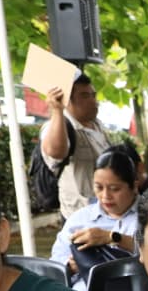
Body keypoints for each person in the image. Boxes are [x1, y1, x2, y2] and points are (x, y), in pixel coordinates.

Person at [50, 145, 141, 291]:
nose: (105, 196)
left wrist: (112, 238)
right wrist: (70, 266)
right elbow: (54, 264)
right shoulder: (80, 219)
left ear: (134, 186)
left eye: (115, 189)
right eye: (99, 187)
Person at [39, 73, 115, 220]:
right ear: (67, 101)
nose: (94, 101)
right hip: (81, 220)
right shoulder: (58, 127)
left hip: (110, 215)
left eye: (93, 95)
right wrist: (57, 110)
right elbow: (56, 151)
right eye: (85, 96)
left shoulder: (98, 125)